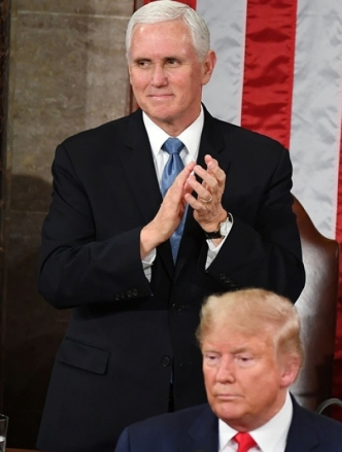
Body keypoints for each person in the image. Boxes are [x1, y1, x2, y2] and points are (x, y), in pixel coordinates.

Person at [37, 2, 305, 451]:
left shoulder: (262, 160)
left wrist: (220, 226)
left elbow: (284, 285)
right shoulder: (83, 157)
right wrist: (146, 240)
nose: (156, 79)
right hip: (98, 404)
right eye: (143, 63)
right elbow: (55, 278)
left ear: (206, 66)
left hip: (211, 403)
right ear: (129, 69)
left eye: (172, 62)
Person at [114, 289, 342, 452]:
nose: (222, 374)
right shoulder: (144, 444)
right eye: (212, 357)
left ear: (288, 369)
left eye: (243, 359)